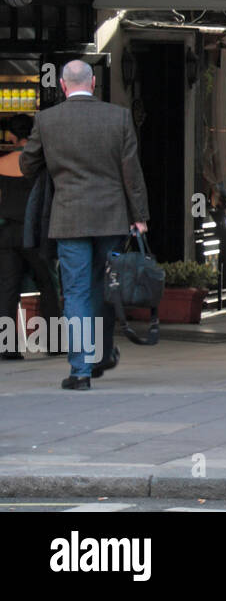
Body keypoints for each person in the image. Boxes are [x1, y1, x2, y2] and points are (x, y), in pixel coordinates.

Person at [20, 61, 149, 390]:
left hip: (69, 218)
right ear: (93, 83)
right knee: (106, 288)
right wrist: (139, 216)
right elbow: (131, 172)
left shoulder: (47, 121)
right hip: (111, 218)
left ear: (63, 86)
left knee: (75, 292)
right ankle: (102, 354)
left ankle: (80, 369)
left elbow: (27, 165)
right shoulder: (117, 117)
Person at [0, 115, 62, 360]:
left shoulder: (2, 163)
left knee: (7, 290)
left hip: (6, 233)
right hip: (35, 233)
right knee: (48, 285)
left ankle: (7, 347)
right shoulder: (40, 164)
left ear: (12, 137)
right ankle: (54, 343)